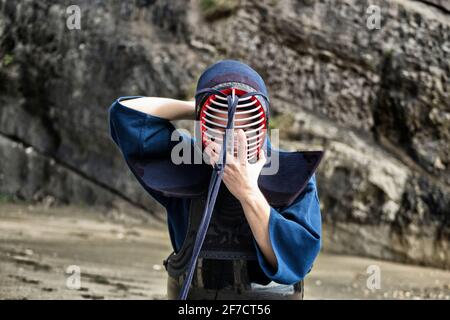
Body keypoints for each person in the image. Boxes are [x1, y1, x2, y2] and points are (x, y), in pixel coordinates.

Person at [108, 60, 323, 299]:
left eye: (246, 128)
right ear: (203, 127)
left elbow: (297, 259)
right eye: (219, 129)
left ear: (262, 126)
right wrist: (200, 107)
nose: (233, 140)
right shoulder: (186, 168)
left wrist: (248, 192)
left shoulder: (291, 175)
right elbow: (126, 113)